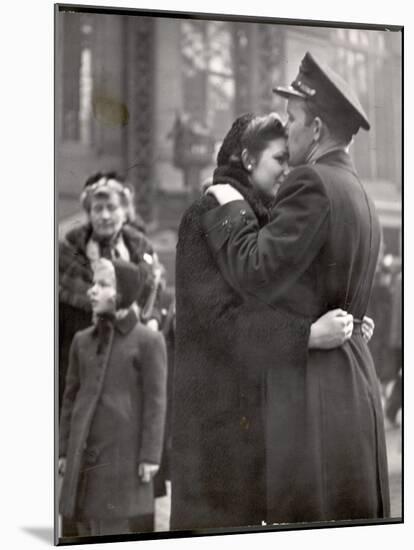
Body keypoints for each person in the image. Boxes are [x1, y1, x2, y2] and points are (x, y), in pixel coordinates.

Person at [203, 52, 389, 523]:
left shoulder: (310, 181)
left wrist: (228, 207)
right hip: (353, 387)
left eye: (292, 119)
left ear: (319, 129)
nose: (285, 132)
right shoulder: (362, 195)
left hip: (310, 396)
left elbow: (255, 270)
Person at [171, 112, 374, 530]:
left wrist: (345, 321)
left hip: (252, 425)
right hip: (216, 429)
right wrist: (307, 336)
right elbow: (221, 323)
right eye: (279, 159)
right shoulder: (203, 216)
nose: (289, 168)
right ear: (247, 158)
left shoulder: (260, 214)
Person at [59, 258, 167, 536]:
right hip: (83, 457)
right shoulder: (82, 341)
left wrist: (150, 456)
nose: (92, 291)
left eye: (103, 284)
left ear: (124, 292)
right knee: (82, 528)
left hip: (123, 460)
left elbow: (156, 403)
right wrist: (63, 450)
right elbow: (70, 399)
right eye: (93, 283)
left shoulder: (148, 341)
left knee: (113, 529)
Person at [59, 172, 161, 417]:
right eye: (98, 208)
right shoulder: (69, 253)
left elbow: (151, 303)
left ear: (125, 211)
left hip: (129, 360)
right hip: (78, 356)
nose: (104, 215)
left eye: (112, 208)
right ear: (89, 212)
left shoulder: (141, 251)